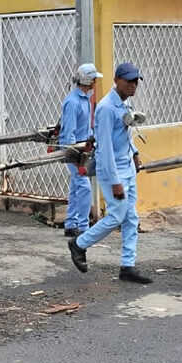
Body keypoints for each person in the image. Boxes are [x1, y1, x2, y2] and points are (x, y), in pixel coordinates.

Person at [67, 62, 151, 284]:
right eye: (129, 81)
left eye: (136, 81)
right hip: (113, 170)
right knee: (116, 216)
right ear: (116, 81)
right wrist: (115, 182)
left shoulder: (125, 104)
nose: (133, 85)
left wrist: (135, 152)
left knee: (131, 218)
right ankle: (79, 244)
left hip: (127, 167)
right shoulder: (106, 108)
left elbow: (125, 134)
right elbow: (104, 148)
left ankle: (128, 265)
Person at [59, 63, 101, 237]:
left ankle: (71, 223)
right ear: (86, 80)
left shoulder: (85, 99)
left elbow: (87, 127)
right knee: (84, 187)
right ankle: (83, 226)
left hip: (83, 148)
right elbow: (69, 132)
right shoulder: (72, 102)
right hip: (74, 150)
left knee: (77, 186)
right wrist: (74, 155)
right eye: (93, 79)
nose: (95, 83)